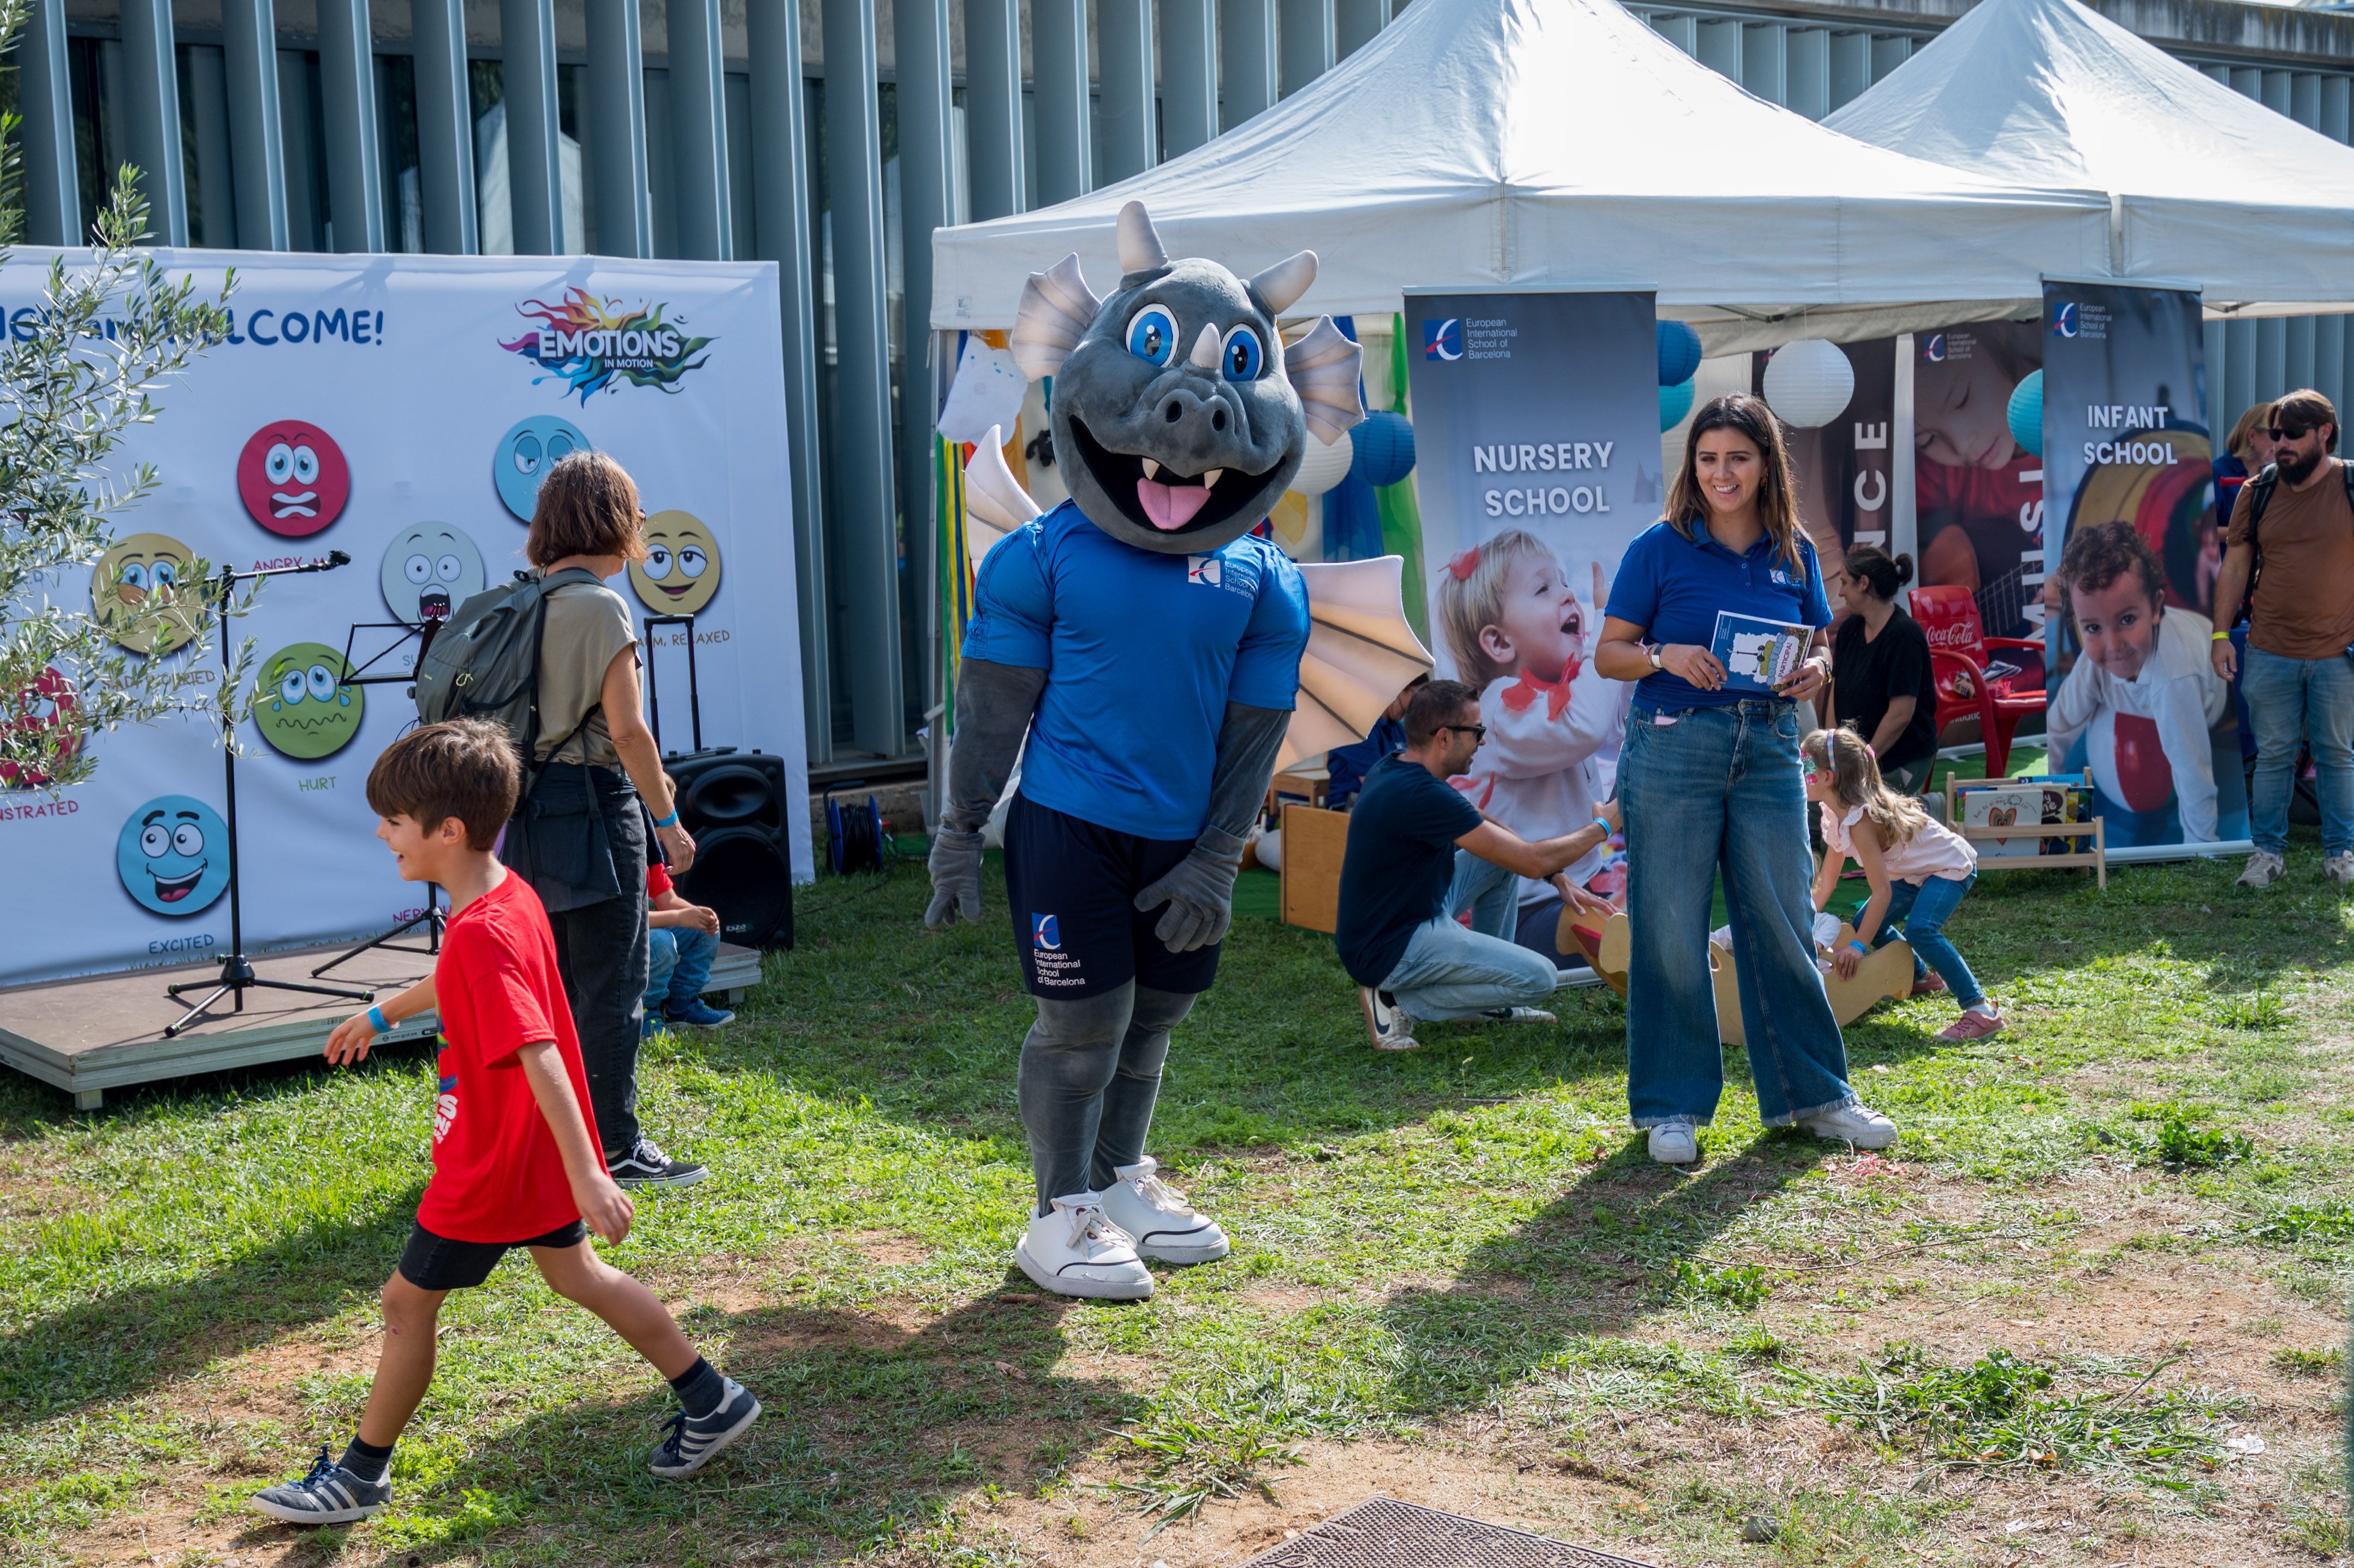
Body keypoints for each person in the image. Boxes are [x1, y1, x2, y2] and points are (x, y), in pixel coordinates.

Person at [248, 722, 759, 1527]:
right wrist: (381, 1013)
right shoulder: (504, 896)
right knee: (577, 1276)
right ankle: (712, 1398)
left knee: (405, 1304)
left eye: (394, 821)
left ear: (447, 830)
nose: (382, 834)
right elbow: (455, 980)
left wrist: (592, 1174)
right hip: (533, 1154)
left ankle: (359, 1477)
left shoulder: (484, 931)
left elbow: (540, 1051)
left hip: (491, 1166)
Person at [1594, 393, 1898, 1166]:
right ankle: (1673, 1108)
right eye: (1707, 459)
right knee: (1670, 928)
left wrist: (1817, 670)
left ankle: (1817, 1097)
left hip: (1768, 747)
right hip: (1672, 745)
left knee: (1785, 922)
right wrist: (1665, 655)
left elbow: (1823, 645)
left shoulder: (1792, 549)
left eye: (1738, 457)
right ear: (1692, 467)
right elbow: (1611, 653)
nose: (1721, 473)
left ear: (1766, 463)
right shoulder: (1657, 548)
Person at [501, 452, 706, 1188]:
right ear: (610, 520)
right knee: (612, 991)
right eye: (636, 511)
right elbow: (628, 733)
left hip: (525, 817)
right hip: (593, 810)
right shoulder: (600, 606)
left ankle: (555, 1143)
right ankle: (615, 1146)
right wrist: (670, 821)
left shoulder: (526, 599)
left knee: (550, 990)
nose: (642, 525)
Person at [1335, 680, 1618, 1053]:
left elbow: (1486, 825)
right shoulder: (1421, 795)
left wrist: (1556, 874)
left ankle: (1490, 1005)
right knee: (1541, 979)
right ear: (1444, 738)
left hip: (1405, 918)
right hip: (1390, 947)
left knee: (1501, 864)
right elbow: (1532, 860)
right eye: (1477, 731)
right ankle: (1394, 1002)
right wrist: (1604, 826)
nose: (1483, 741)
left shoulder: (1398, 767)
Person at [1433, 530, 1626, 958]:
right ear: (1500, 642)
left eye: (1562, 581)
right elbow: (1587, 728)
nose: (1566, 594)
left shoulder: (1563, 690)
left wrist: (1631, 654)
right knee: (1615, 932)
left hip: (1579, 881)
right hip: (1522, 907)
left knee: (1643, 905)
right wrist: (1607, 635)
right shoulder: (1499, 711)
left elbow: (1615, 727)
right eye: (1543, 588)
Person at [2209, 389, 2354, 888]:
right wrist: (2221, 633)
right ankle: (2266, 854)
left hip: (2340, 651)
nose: (2280, 444)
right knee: (2273, 755)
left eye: (2293, 435)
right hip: (2269, 648)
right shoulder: (2258, 489)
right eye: (2276, 434)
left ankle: (2341, 854)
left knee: (2336, 754)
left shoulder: (2351, 483)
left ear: (2324, 434)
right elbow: (2235, 565)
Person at [1803, 727, 1996, 1041]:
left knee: (1921, 930)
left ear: (1827, 778)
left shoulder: (1861, 822)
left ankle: (1981, 1010)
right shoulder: (1835, 815)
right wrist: (1802, 923)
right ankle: (1923, 978)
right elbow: (1827, 883)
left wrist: (1856, 947)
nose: (1799, 772)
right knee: (1867, 923)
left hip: (1949, 866)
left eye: (1805, 766)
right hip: (1915, 874)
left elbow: (1883, 892)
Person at [2047, 520, 2229, 844]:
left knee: (2183, 743)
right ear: (2077, 623)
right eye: (2092, 628)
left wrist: (2203, 849)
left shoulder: (2174, 678)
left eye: (2127, 620)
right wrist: (2049, 812)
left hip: (2212, 685)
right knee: (2086, 695)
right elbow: (2057, 729)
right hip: (2160, 673)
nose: (2113, 645)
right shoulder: (2094, 665)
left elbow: (2193, 772)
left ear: (2157, 608)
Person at [1828, 545, 1939, 793]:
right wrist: (1834, 753)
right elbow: (1834, 695)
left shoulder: (1904, 636)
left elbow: (1901, 714)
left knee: (1866, 815)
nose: (1842, 591)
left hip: (1900, 756)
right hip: (1859, 759)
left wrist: (1864, 760)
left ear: (1864, 583)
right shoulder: (1849, 630)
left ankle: (1926, 808)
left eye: (1846, 583)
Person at [643, 852, 734, 1036]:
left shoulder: (650, 850)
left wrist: (699, 915)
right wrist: (680, 918)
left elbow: (668, 900)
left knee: (703, 929)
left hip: (639, 929)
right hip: (617, 941)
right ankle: (646, 1012)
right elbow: (627, 920)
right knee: (661, 942)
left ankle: (681, 1006)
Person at [1324, 674, 1423, 810]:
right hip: (1351, 808)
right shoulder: (1359, 726)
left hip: (1388, 803)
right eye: (1418, 696)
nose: (1420, 706)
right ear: (1399, 690)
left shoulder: (1398, 728)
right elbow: (1375, 783)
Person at [2213, 400, 2275, 526]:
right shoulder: (2217, 472)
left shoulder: (2274, 474)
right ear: (2252, 436)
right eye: (2275, 434)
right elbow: (2202, 533)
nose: (2281, 442)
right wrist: (2251, 532)